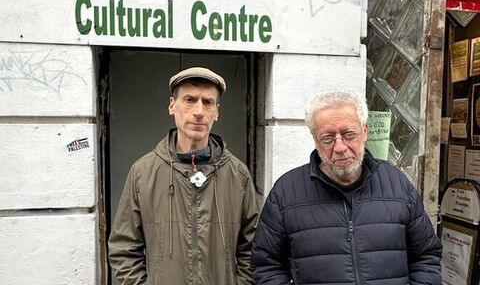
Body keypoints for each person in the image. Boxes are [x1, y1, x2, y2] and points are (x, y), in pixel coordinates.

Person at [252, 91, 442, 285]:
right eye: (327, 138)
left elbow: (426, 257)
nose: (340, 147)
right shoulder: (286, 192)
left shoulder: (397, 185)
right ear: (315, 139)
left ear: (365, 131)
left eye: (348, 134)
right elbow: (266, 266)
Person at [109, 66, 259, 285]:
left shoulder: (237, 174)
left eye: (207, 102)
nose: (198, 111)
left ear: (216, 112)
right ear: (172, 106)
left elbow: (253, 248)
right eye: (189, 100)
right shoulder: (143, 172)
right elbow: (124, 248)